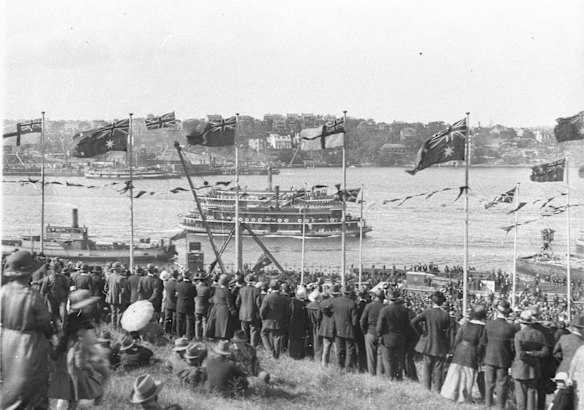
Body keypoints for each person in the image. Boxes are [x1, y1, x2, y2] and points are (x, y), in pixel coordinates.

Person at [1, 250, 55, 410]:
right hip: (28, 340)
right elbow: (45, 321)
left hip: (7, 339)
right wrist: (51, 335)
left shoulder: (3, 292)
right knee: (34, 379)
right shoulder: (32, 295)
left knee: (11, 377)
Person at [48, 290, 110, 410]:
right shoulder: (78, 321)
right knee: (75, 394)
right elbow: (83, 343)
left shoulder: (77, 318)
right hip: (77, 357)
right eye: (88, 304)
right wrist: (88, 364)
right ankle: (96, 401)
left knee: (74, 394)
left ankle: (95, 401)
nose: (90, 306)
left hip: (77, 356)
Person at [440, 304, 487, 403]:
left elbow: (457, 338)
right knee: (468, 375)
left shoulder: (465, 325)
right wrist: (479, 356)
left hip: (460, 349)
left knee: (455, 373)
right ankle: (464, 397)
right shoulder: (483, 328)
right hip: (472, 352)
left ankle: (450, 394)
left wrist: (454, 350)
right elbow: (481, 344)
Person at [411, 291, 452, 392]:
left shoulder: (427, 312)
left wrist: (421, 333)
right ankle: (438, 390)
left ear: (432, 301)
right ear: (442, 302)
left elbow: (413, 322)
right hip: (440, 345)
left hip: (428, 343)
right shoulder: (446, 315)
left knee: (427, 368)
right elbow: (448, 332)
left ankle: (426, 390)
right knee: (438, 370)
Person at [482, 300, 517, 409]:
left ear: (496, 311)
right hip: (504, 359)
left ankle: (488, 405)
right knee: (502, 383)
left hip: (490, 357)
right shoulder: (511, 328)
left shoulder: (488, 325)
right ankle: (500, 406)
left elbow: (483, 341)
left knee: (489, 382)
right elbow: (512, 347)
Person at [511, 310, 549, 410]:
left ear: (521, 323)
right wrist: (534, 353)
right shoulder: (539, 334)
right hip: (534, 369)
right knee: (531, 396)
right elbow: (545, 352)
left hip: (520, 369)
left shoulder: (519, 335)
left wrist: (527, 353)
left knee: (521, 398)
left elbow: (520, 355)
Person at [376, 290, 411, 380]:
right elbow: (408, 327)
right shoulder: (404, 311)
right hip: (400, 339)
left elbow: (379, 327)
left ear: (388, 299)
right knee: (398, 361)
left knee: (388, 361)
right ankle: (398, 379)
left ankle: (390, 378)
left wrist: (380, 335)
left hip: (387, 339)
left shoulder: (384, 310)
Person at [322, 285, 358, 370]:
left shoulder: (335, 301)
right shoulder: (352, 303)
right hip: (349, 329)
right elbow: (354, 320)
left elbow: (324, 308)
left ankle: (340, 366)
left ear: (342, 292)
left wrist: (331, 316)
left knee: (339, 349)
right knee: (349, 349)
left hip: (337, 328)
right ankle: (349, 367)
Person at [260, 279, 290, 359]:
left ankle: (269, 350)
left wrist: (263, 318)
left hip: (268, 321)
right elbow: (286, 312)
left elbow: (262, 310)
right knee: (277, 337)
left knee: (264, 334)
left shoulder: (267, 297)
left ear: (270, 287)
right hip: (279, 321)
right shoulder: (284, 298)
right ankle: (276, 355)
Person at [361, 289, 385, 376]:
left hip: (370, 332)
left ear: (374, 297)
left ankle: (372, 374)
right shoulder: (385, 307)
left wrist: (365, 332)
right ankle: (379, 374)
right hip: (381, 334)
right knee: (380, 355)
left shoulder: (368, 306)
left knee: (370, 356)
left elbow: (362, 320)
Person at [206, 274, 237, 340]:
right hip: (224, 308)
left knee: (216, 324)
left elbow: (212, 299)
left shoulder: (216, 289)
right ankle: (223, 337)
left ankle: (216, 336)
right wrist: (233, 311)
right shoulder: (226, 291)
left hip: (216, 308)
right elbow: (229, 303)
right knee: (223, 324)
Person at [236, 274, 262, 347]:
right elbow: (259, 304)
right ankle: (253, 346)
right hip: (253, 313)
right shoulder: (256, 290)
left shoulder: (241, 289)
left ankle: (244, 345)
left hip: (243, 314)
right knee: (253, 331)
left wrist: (240, 309)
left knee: (244, 331)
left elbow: (237, 302)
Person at [104, 262, 129, 329]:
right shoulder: (122, 278)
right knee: (120, 313)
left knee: (113, 313)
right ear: (118, 268)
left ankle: (113, 327)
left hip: (111, 298)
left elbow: (105, 288)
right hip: (120, 298)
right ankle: (118, 328)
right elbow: (124, 290)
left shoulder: (109, 277)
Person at [288, 286, 309, 360]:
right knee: (300, 340)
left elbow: (289, 313)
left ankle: (292, 354)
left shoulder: (292, 302)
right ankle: (299, 355)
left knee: (293, 340)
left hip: (292, 323)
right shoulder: (304, 304)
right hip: (301, 325)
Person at [176, 272, 195, 339]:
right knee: (189, 321)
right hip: (189, 305)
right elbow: (195, 294)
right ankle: (189, 336)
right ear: (189, 276)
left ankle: (179, 336)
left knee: (179, 321)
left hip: (180, 304)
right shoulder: (192, 286)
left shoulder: (178, 285)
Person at [193, 272, 211, 340]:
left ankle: (197, 336)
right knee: (205, 321)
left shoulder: (195, 287)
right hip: (205, 307)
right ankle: (205, 336)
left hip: (197, 306)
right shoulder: (207, 288)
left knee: (197, 322)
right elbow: (209, 296)